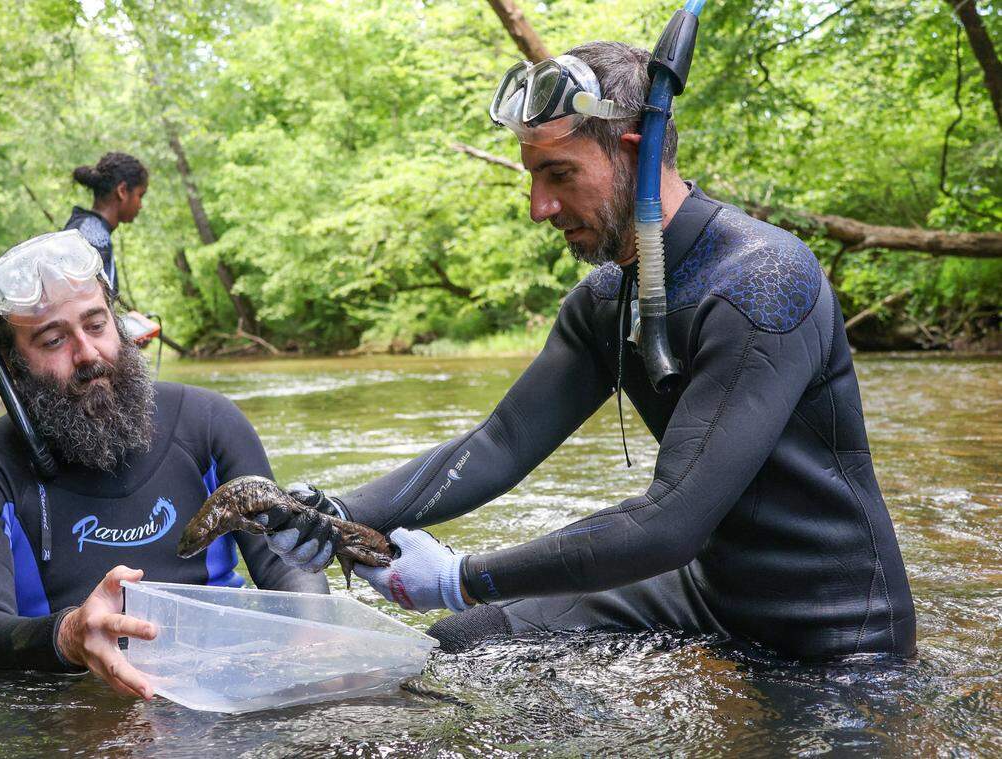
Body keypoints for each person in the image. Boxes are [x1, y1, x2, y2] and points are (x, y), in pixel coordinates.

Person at [263, 41, 917, 660]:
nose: (538, 206)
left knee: (468, 608)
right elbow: (501, 441)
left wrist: (464, 575)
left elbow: (669, 522)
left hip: (833, 630)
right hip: (707, 593)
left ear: (635, 152)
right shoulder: (606, 300)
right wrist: (341, 510)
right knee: (462, 641)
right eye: (532, 176)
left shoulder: (762, 281)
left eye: (559, 174)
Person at [0, 231, 326, 700]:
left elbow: (286, 562)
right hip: (68, 706)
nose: (88, 354)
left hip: (227, 679)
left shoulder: (209, 424)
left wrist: (315, 631)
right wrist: (70, 636)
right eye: (54, 340)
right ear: (12, 369)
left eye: (96, 326)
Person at [64, 152, 149, 294]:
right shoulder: (95, 236)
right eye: (140, 195)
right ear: (122, 191)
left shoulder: (83, 227)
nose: (140, 205)